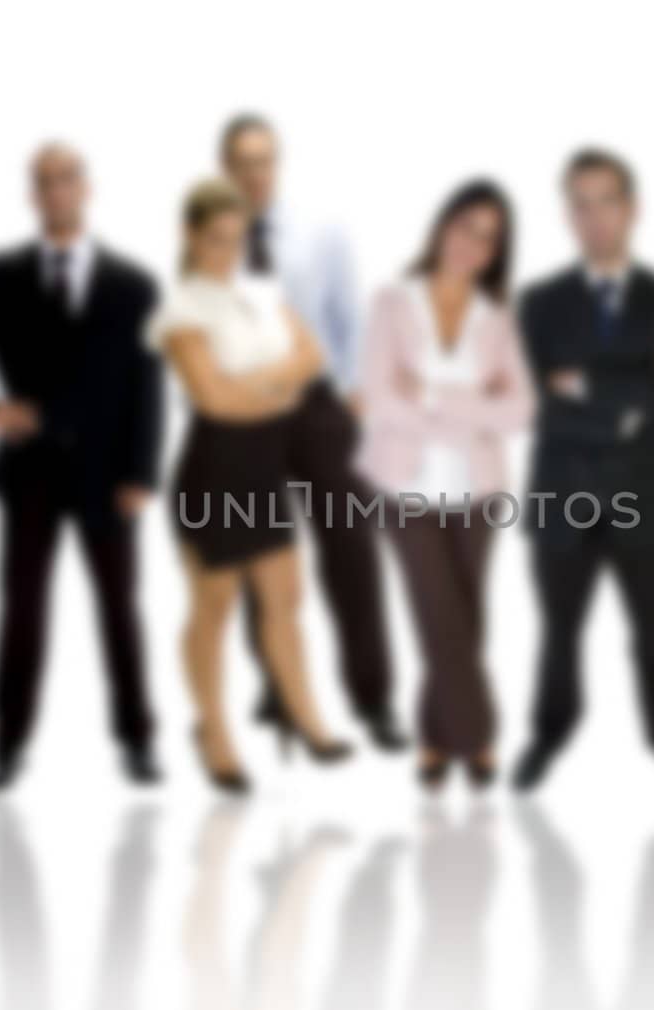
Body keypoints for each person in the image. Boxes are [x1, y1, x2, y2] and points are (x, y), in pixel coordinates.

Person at [0, 143, 166, 790]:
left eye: (67, 178)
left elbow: (148, 384)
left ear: (87, 187)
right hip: (31, 467)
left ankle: (138, 740)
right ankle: (5, 744)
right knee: (21, 609)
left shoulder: (135, 284)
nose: (56, 191)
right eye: (43, 182)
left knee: (120, 609)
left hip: (109, 472)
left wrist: (142, 473)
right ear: (31, 195)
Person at [511, 148, 654, 793]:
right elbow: (532, 396)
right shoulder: (541, 303)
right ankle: (547, 734)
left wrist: (587, 385)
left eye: (607, 201)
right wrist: (634, 390)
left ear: (630, 209)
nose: (595, 217)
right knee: (559, 630)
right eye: (582, 204)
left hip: (647, 495)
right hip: (562, 494)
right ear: (569, 215)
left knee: (653, 629)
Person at [149, 178, 351, 795]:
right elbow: (213, 401)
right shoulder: (180, 307)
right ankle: (213, 731)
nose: (226, 254)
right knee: (215, 605)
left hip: (263, 469)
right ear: (189, 235)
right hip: (215, 471)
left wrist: (254, 384)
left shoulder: (264, 292)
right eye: (214, 241)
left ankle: (307, 716)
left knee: (286, 597)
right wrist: (278, 387)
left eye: (236, 242)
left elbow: (314, 356)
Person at [219, 114, 405, 751]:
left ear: (279, 163)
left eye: (264, 160)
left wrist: (353, 398)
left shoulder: (321, 232)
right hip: (246, 413)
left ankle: (374, 698)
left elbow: (350, 316)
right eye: (242, 162)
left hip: (320, 409)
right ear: (226, 170)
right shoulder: (209, 244)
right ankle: (277, 690)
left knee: (353, 550)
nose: (255, 174)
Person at [356, 180, 534, 789]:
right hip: (406, 492)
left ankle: (435, 739)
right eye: (465, 228)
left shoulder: (496, 318)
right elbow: (379, 398)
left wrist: (433, 395)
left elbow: (518, 411)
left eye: (488, 238)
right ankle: (476, 737)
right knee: (440, 618)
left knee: (464, 617)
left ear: (495, 252)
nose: (472, 245)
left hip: (478, 495)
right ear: (442, 228)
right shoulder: (392, 303)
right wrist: (472, 407)